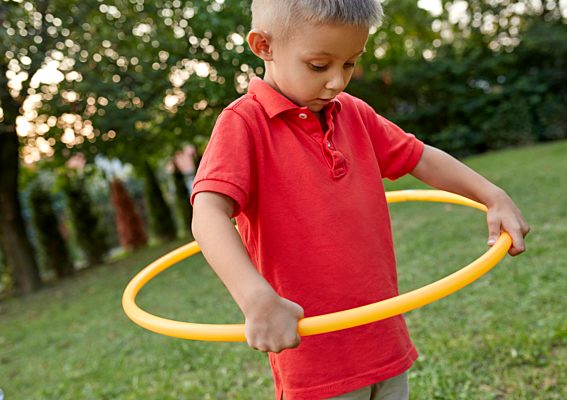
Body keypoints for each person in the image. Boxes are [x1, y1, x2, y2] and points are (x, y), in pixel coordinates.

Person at [190, 1, 530, 399]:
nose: (337, 81)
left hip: (383, 339)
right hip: (315, 361)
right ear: (264, 45)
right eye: (320, 66)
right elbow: (208, 212)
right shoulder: (243, 124)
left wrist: (493, 195)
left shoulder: (354, 114)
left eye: (350, 64)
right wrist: (255, 297)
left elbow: (418, 156)